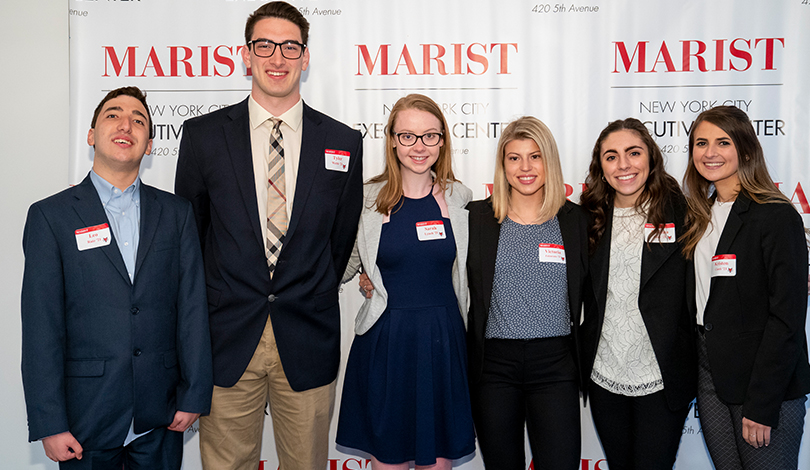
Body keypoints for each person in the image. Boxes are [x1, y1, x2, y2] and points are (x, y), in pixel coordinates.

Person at [174, 2, 363, 468]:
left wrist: (309, 287)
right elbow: (192, 237)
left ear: (305, 57)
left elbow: (339, 242)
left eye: (290, 46)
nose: (277, 57)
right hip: (226, 337)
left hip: (309, 334)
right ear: (246, 55)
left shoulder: (343, 141)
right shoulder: (202, 137)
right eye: (265, 45)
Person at [21, 86, 213, 469]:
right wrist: (49, 422)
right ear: (91, 136)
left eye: (139, 120)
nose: (126, 124)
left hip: (160, 415)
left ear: (150, 144)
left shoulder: (177, 214)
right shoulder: (51, 217)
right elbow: (42, 326)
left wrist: (194, 395)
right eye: (113, 115)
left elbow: (192, 307)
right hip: (83, 420)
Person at [336, 94, 475, 469]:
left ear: (443, 141)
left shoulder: (460, 198)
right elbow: (343, 264)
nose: (419, 146)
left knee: (439, 462)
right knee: (389, 460)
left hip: (444, 343)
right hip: (386, 343)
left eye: (430, 136)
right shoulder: (366, 199)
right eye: (408, 136)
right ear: (392, 140)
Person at [681, 105, 810, 469]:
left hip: (763, 383)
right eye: (700, 143)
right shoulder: (698, 216)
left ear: (744, 149)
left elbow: (786, 319)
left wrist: (762, 403)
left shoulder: (774, 214)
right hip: (711, 379)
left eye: (722, 142)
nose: (710, 152)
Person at [466, 116, 587, 470]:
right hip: (494, 366)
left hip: (555, 364)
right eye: (514, 158)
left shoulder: (574, 220)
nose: (525, 167)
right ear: (502, 166)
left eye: (535, 156)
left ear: (549, 161)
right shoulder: (478, 218)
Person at [579, 118, 696, 469]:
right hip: (605, 372)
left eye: (633, 153)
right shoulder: (589, 216)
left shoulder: (683, 212)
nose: (624, 165)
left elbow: (716, 259)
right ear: (601, 166)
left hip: (662, 374)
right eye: (611, 156)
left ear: (651, 158)